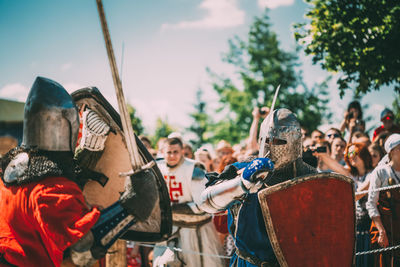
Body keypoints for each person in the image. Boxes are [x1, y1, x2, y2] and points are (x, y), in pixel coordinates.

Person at [0, 77, 157, 267]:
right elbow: (80, 253)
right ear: (68, 124)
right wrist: (130, 209)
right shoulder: (53, 190)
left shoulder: (7, 176)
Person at [198, 108, 317, 266]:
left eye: (279, 141)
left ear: (295, 142)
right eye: (267, 140)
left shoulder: (310, 177)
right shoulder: (242, 168)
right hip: (250, 263)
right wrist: (242, 183)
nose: (271, 146)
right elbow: (206, 202)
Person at [154, 137, 224, 267]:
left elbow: (202, 204)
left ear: (181, 151)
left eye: (176, 152)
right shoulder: (157, 168)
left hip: (195, 229)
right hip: (169, 227)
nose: (172, 156)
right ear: (163, 152)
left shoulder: (194, 169)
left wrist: (172, 209)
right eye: (169, 152)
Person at [316, 142, 374, 266]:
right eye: (348, 154)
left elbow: (357, 195)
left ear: (363, 154)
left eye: (353, 152)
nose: (349, 156)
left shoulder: (373, 174)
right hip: (353, 229)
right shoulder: (352, 174)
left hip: (369, 229)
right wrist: (322, 155)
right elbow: (336, 166)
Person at [366, 133, 400, 266]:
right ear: (392, 151)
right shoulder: (381, 172)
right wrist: (381, 231)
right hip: (387, 226)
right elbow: (371, 203)